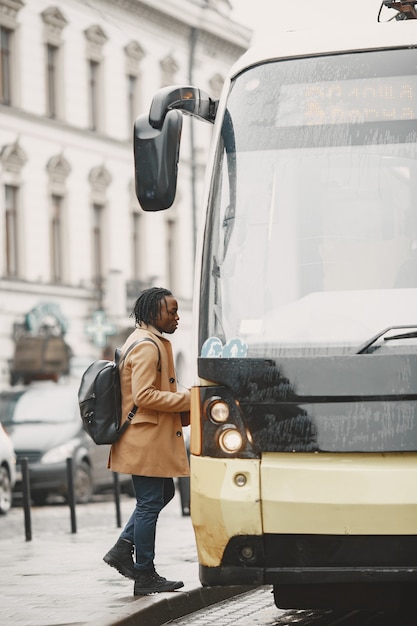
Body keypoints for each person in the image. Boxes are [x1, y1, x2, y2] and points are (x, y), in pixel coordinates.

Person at [103, 287, 191, 596]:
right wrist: (189, 399)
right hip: (145, 437)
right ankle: (144, 573)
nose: (177, 317)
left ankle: (122, 548)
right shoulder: (145, 346)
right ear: (154, 313)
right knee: (149, 503)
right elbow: (143, 395)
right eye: (172, 311)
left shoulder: (147, 341)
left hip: (148, 436)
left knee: (162, 492)